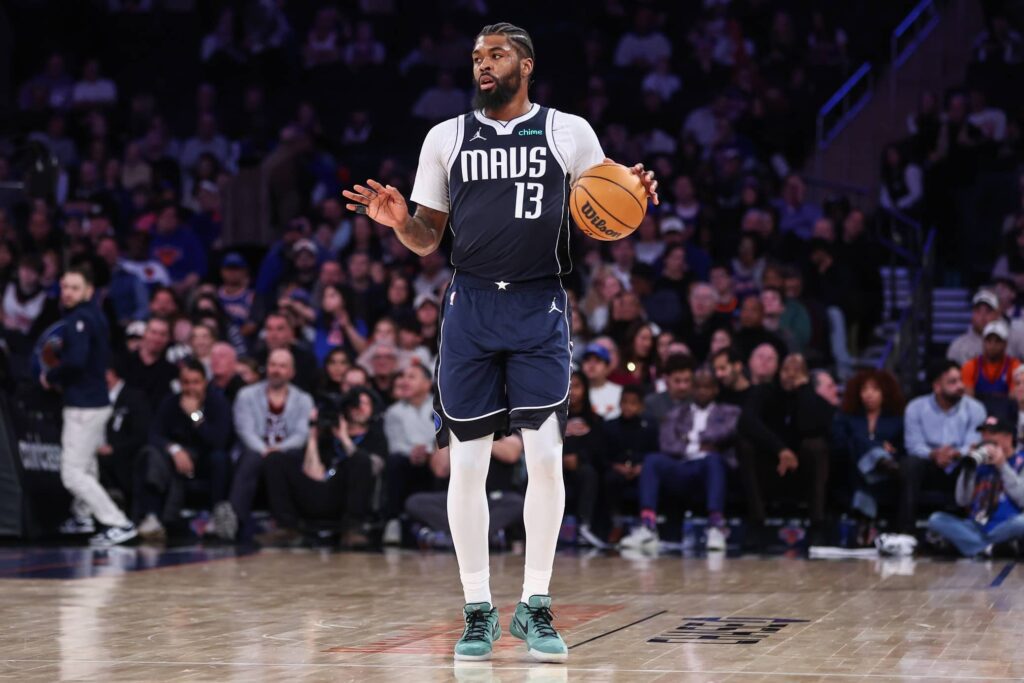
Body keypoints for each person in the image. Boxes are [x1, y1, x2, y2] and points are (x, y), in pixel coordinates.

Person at [342, 21, 659, 663]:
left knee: (545, 459)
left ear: (527, 65)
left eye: (498, 54)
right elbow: (429, 237)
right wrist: (401, 222)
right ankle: (479, 609)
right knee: (468, 464)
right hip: (471, 305)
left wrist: (635, 197)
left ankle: (535, 606)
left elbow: (604, 208)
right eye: (477, 57)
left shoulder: (569, 132)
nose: (484, 65)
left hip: (540, 302)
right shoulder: (446, 136)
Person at [41, 266, 137, 546]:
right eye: (65, 286)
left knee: (71, 473)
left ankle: (118, 522)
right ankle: (84, 515)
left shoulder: (81, 318)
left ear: (89, 290)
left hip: (84, 405)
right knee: (86, 466)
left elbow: (76, 361)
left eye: (74, 287)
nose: (68, 293)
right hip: (93, 402)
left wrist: (51, 376)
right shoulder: (94, 315)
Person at [620, 368, 739, 551]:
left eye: (706, 387)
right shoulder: (677, 414)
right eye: (697, 387)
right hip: (680, 465)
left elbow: (724, 433)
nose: (701, 391)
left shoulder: (729, 412)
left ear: (715, 389)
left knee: (714, 460)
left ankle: (715, 527)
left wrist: (688, 439)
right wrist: (697, 445)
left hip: (706, 468)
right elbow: (667, 443)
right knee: (652, 460)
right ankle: (647, 526)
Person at [257, 388, 382, 548]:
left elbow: (374, 467)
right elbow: (313, 473)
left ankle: (352, 530)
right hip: (320, 493)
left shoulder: (375, 436)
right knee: (275, 459)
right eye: (356, 404)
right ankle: (287, 528)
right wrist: (313, 437)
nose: (359, 409)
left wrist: (345, 439)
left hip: (347, 500)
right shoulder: (327, 436)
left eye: (365, 404)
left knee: (361, 460)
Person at [738, 353, 834, 547]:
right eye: (786, 370)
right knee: (744, 445)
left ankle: (817, 525)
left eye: (797, 371)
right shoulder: (763, 392)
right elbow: (746, 421)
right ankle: (757, 523)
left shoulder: (815, 401)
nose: (790, 375)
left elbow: (812, 427)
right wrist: (781, 450)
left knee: (816, 446)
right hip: (770, 467)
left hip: (802, 471)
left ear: (806, 376)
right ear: (778, 372)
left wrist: (804, 391)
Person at [218, 348, 315, 540]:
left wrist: (277, 451)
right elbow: (244, 430)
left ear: (291, 372)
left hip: (287, 454)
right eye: (272, 365)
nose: (276, 370)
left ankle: (285, 525)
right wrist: (265, 450)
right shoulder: (246, 395)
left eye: (282, 366)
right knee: (251, 458)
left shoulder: (303, 399)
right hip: (254, 451)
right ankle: (234, 521)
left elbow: (301, 434)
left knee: (282, 460)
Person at [136, 358, 231, 540]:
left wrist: (195, 416)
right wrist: (174, 449)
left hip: (205, 458)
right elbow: (154, 434)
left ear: (205, 382)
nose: (190, 388)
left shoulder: (217, 402)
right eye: (186, 382)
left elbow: (219, 440)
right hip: (175, 460)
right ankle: (152, 517)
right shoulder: (171, 402)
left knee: (220, 458)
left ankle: (215, 517)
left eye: (196, 382)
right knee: (151, 453)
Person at [901, 360, 987, 534]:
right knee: (910, 463)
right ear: (937, 386)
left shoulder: (975, 408)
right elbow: (913, 445)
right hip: (929, 465)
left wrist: (956, 454)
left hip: (960, 465)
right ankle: (905, 531)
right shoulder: (915, 408)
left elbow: (974, 441)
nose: (960, 386)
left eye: (960, 380)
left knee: (974, 461)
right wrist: (934, 454)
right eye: (952, 382)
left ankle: (971, 530)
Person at [928, 416, 1024, 557]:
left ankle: (974, 546)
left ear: (1008, 437)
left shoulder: (1021, 460)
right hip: (976, 525)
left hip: (1007, 524)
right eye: (983, 434)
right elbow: (962, 500)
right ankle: (989, 549)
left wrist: (1002, 466)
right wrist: (968, 469)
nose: (985, 439)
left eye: (991, 434)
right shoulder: (978, 462)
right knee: (936, 519)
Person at [405, 434, 525, 546]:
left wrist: (472, 434)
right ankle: (473, 536)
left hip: (492, 498)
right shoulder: (450, 429)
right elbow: (440, 470)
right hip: (457, 499)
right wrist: (449, 434)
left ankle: (463, 537)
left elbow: (511, 454)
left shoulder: (501, 424)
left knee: (517, 503)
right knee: (415, 502)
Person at [833, 370, 905, 536]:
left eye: (874, 389)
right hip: (852, 469)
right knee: (857, 441)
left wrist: (891, 451)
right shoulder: (847, 418)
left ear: (885, 392)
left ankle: (864, 522)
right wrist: (878, 445)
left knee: (863, 452)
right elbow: (839, 444)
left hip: (887, 475)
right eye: (864, 390)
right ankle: (879, 460)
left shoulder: (896, 420)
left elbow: (902, 449)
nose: (868, 394)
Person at [382, 364, 437, 543]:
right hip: (408, 460)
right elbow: (395, 444)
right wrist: (413, 452)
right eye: (403, 376)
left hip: (437, 458)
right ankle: (393, 521)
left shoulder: (441, 407)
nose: (404, 381)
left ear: (427, 384)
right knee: (394, 461)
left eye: (412, 377)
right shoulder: (393, 411)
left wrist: (428, 451)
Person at [603, 385, 658, 530]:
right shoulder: (609, 426)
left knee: (649, 479)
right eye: (625, 402)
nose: (628, 407)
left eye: (633, 403)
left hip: (642, 470)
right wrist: (616, 466)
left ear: (641, 406)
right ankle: (615, 523)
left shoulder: (649, 427)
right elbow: (603, 455)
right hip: (616, 470)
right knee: (609, 478)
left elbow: (655, 452)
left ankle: (646, 524)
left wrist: (642, 467)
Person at [961, 320, 1020, 412]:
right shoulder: (970, 366)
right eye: (989, 340)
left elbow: (1014, 400)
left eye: (997, 341)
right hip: (978, 414)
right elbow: (968, 401)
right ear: (983, 342)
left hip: (1006, 417)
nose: (992, 345)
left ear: (1005, 344)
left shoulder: (1015, 366)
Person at [642, 353, 694, 423]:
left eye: (687, 381)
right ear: (666, 379)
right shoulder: (652, 403)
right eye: (677, 381)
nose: (683, 387)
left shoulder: (698, 403)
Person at [580, 342, 623, 420]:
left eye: (598, 360)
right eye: (587, 360)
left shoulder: (620, 392)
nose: (591, 365)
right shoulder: (574, 393)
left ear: (607, 367)